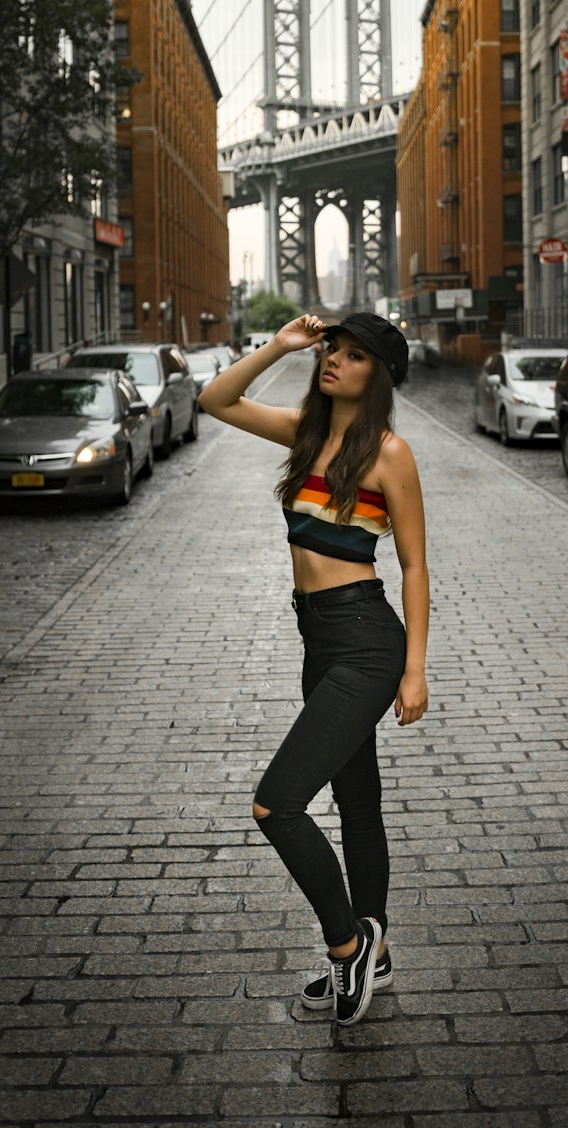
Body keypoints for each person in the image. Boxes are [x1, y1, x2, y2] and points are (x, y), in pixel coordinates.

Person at [198, 312, 429, 1028]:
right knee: (357, 805)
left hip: (365, 638)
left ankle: (348, 945)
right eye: (334, 348)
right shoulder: (305, 432)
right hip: (319, 639)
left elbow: (415, 564)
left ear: (378, 375)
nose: (335, 360)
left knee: (278, 804)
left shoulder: (391, 454)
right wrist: (281, 344)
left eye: (355, 355)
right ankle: (378, 957)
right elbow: (215, 400)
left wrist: (414, 668)